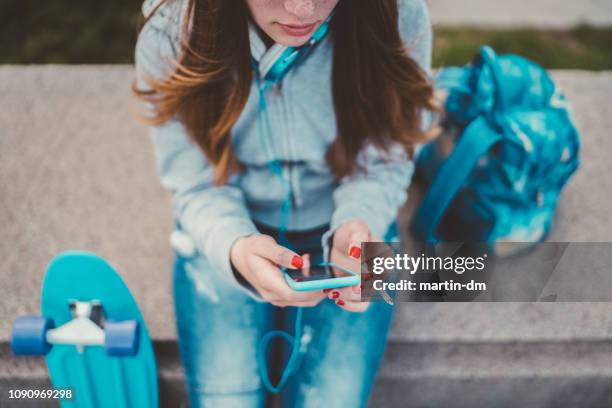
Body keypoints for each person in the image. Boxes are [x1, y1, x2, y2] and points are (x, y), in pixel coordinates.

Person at [133, 0, 436, 406]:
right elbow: (194, 182)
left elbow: (384, 161)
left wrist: (360, 221)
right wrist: (234, 246)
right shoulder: (172, 24)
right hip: (225, 231)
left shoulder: (400, 12)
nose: (303, 9)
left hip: (354, 224)